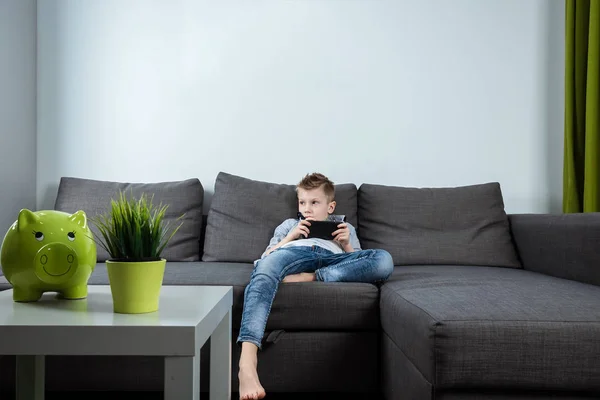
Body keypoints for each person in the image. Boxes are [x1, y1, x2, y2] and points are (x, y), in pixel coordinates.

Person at [237, 173, 394, 400]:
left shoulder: (345, 226)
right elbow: (265, 259)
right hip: (293, 255)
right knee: (265, 269)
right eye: (302, 202)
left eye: (314, 203)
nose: (307, 209)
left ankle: (312, 277)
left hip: (334, 259)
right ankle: (247, 362)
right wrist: (289, 238)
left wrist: (347, 244)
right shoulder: (289, 225)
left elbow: (363, 265)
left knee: (384, 260)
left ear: (330, 207)